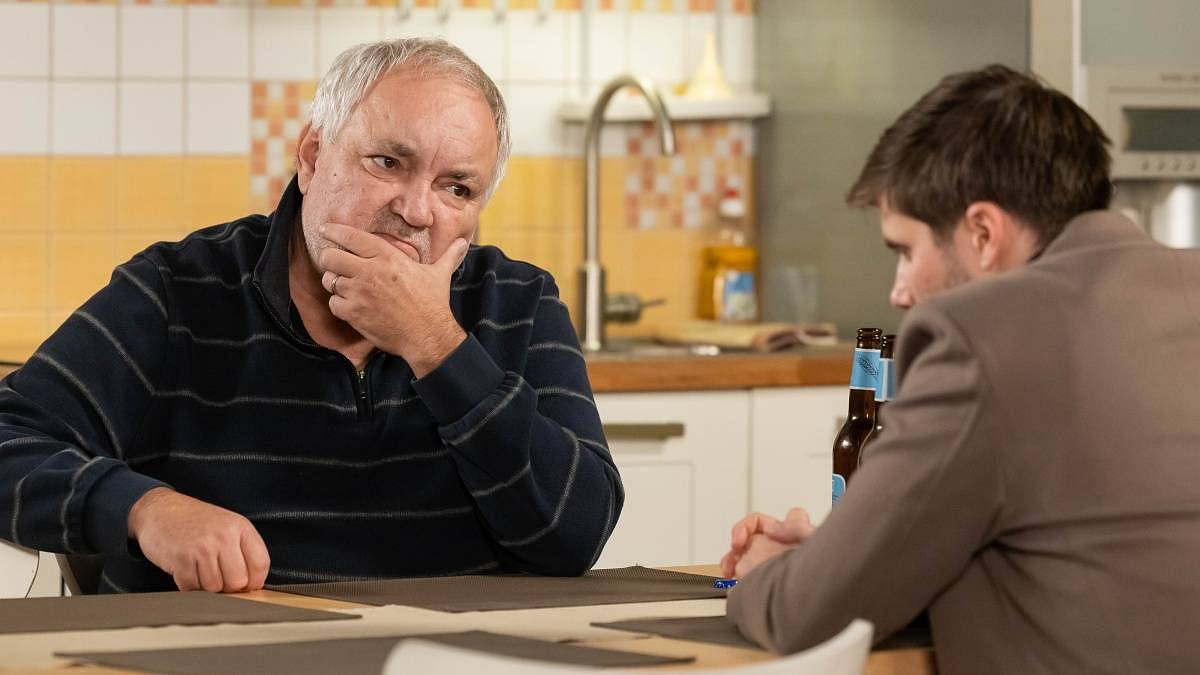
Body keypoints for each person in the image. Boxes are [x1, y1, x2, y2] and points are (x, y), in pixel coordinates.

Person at [0, 38, 623, 594]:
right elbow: (11, 440)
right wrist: (146, 509)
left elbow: (575, 536)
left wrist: (437, 346)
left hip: (453, 655)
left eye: (456, 188)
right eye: (388, 163)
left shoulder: (518, 302)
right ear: (313, 156)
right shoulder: (178, 290)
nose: (416, 211)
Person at [721, 64, 1200, 674]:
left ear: (982, 233)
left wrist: (770, 574)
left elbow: (806, 613)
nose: (899, 291)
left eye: (905, 250)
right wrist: (849, 554)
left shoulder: (980, 337)